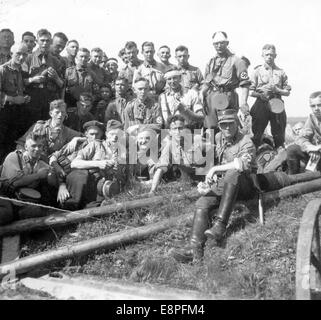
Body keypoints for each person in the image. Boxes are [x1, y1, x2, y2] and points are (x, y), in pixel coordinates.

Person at [170, 109, 256, 263]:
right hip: (227, 184)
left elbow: (241, 165)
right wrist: (208, 184)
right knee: (202, 202)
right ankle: (194, 248)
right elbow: (217, 162)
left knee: (233, 172)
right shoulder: (219, 137)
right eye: (223, 125)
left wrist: (214, 170)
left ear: (237, 123)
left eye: (231, 124)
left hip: (247, 186)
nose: (227, 128)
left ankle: (220, 225)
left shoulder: (246, 141)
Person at [49, 120, 104, 210]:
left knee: (83, 175)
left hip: (84, 179)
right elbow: (53, 157)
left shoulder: (101, 146)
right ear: (86, 134)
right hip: (65, 175)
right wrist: (58, 169)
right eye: (91, 134)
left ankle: (77, 206)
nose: (94, 137)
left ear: (101, 134)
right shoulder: (77, 144)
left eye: (97, 134)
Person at [201, 31, 250, 130]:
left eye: (221, 43)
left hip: (228, 96)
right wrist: (201, 94)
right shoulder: (211, 62)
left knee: (228, 126)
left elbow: (245, 84)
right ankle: (212, 145)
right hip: (211, 98)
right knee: (210, 128)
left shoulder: (237, 61)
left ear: (227, 43)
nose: (219, 46)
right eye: (216, 44)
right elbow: (206, 82)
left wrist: (243, 103)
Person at [71, 120, 127, 204]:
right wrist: (98, 163)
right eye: (112, 134)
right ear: (106, 134)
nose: (115, 137)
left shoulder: (123, 151)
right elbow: (74, 163)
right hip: (92, 190)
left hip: (112, 189)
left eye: (118, 134)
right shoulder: (96, 145)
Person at [149, 115, 206, 194]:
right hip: (188, 184)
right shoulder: (170, 146)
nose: (178, 132)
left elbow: (214, 158)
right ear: (170, 131)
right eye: (174, 129)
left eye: (180, 128)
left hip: (205, 180)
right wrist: (152, 190)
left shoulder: (197, 139)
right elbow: (161, 168)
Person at [250, 44, 291, 149]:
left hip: (277, 103)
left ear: (275, 56)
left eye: (271, 55)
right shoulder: (257, 71)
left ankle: (280, 161)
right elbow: (251, 91)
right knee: (257, 134)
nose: (269, 57)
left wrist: (278, 90)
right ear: (262, 56)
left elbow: (287, 92)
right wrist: (260, 95)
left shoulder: (281, 72)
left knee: (279, 135)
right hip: (261, 104)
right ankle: (254, 160)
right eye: (267, 55)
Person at [16, 99, 81, 163]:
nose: (60, 115)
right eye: (57, 112)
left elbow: (85, 139)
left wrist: (71, 157)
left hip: (53, 166)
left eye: (63, 112)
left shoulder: (68, 132)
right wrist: (25, 153)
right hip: (34, 162)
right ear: (51, 113)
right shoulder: (38, 127)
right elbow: (20, 144)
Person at [0, 132, 55, 207]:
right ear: (26, 146)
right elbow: (15, 183)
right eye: (33, 146)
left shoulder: (41, 163)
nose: (37, 149)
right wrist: (38, 175)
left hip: (26, 200)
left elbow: (53, 177)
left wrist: (61, 184)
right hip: (5, 198)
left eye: (40, 146)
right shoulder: (14, 157)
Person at [23, 29, 64, 126]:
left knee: (47, 127)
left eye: (47, 41)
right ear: (36, 41)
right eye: (42, 40)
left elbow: (62, 85)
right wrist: (32, 79)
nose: (45, 43)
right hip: (32, 98)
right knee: (30, 127)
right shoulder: (28, 58)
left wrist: (56, 77)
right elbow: (21, 81)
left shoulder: (56, 61)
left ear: (51, 42)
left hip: (49, 99)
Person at [0, 43, 30, 162]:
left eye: (24, 54)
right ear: (11, 54)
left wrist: (24, 98)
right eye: (18, 54)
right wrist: (13, 99)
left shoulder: (20, 71)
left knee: (12, 143)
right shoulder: (2, 69)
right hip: (4, 113)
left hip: (17, 113)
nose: (21, 57)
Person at [286, 92, 321, 174]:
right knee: (292, 149)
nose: (316, 108)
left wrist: (318, 149)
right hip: (316, 154)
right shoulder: (312, 118)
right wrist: (310, 148)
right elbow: (301, 138)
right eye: (313, 106)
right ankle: (293, 179)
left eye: (319, 105)